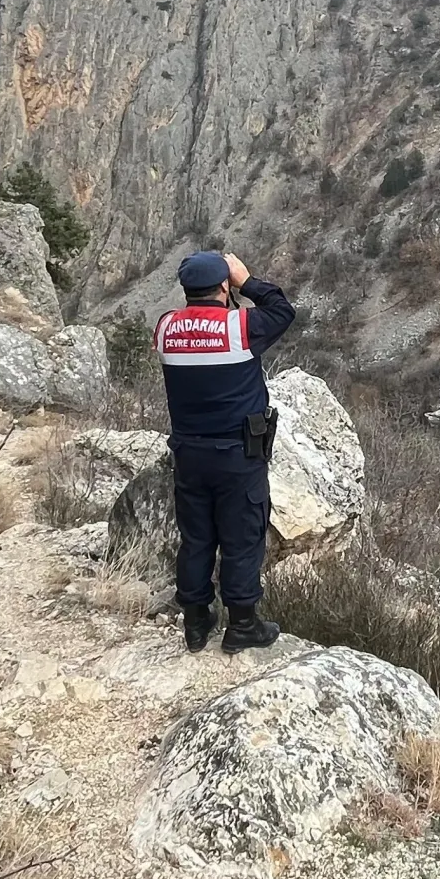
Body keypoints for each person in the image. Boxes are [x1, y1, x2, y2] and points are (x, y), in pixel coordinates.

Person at [155, 250, 298, 653]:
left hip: (188, 454)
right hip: (238, 454)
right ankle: (242, 625)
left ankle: (196, 622)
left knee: (196, 538)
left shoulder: (165, 328)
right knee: (241, 538)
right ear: (223, 286)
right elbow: (282, 310)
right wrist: (247, 281)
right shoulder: (241, 326)